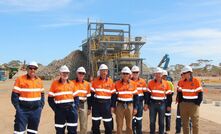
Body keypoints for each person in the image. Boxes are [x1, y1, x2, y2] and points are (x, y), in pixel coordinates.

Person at [11, 61, 44, 134]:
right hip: (23, 111)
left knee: (32, 131)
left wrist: (40, 107)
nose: (33, 70)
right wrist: (18, 108)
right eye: (31, 68)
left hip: (36, 111)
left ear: (36, 69)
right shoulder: (20, 79)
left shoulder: (39, 81)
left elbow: (42, 94)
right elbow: (14, 96)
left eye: (34, 68)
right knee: (19, 131)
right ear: (27, 69)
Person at [48, 65, 79, 134]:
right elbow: (50, 99)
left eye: (67, 73)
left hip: (71, 111)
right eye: (63, 72)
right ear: (60, 73)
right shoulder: (54, 84)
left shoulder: (72, 84)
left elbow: (76, 97)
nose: (65, 74)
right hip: (60, 111)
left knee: (72, 130)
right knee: (60, 130)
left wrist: (75, 107)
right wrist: (56, 109)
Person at [144, 67, 172, 134]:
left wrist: (169, 105)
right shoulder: (150, 83)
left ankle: (161, 132)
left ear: (162, 75)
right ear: (154, 75)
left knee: (161, 121)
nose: (158, 75)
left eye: (159, 74)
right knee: (152, 121)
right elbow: (147, 95)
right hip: (152, 104)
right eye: (156, 74)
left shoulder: (166, 83)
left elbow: (169, 96)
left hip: (162, 104)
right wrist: (146, 104)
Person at [176, 65, 203, 134]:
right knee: (185, 124)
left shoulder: (196, 81)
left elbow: (200, 93)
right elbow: (179, 93)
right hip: (183, 105)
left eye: (184, 73)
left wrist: (197, 104)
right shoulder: (181, 82)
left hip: (193, 105)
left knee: (195, 124)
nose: (183, 75)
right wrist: (181, 102)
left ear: (189, 73)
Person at [90, 64, 115, 134]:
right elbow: (92, 95)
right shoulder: (95, 81)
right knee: (95, 124)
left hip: (107, 106)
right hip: (96, 106)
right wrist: (91, 106)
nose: (104, 72)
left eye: (105, 71)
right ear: (99, 72)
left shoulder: (111, 82)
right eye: (102, 71)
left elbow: (113, 95)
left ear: (107, 72)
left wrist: (113, 106)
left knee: (108, 125)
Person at [113, 66, 138, 134]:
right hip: (120, 105)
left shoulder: (133, 84)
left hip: (129, 106)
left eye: (127, 74)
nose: (125, 75)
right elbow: (114, 97)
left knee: (129, 125)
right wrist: (113, 106)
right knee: (119, 124)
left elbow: (136, 97)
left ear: (130, 75)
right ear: (121, 74)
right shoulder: (116, 84)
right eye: (124, 73)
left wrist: (135, 108)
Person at [72, 67, 91, 134]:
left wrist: (89, 108)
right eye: (80, 73)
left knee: (84, 123)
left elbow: (89, 97)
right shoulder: (72, 83)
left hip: (83, 104)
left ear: (84, 75)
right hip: (74, 104)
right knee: (73, 122)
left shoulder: (87, 84)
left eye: (83, 73)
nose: (81, 75)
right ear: (77, 74)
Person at [131, 65, 147, 134]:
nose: (135, 74)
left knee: (139, 119)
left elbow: (146, 94)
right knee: (132, 119)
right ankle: (133, 131)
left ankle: (139, 132)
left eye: (136, 72)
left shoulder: (143, 82)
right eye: (134, 72)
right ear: (131, 73)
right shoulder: (129, 81)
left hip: (140, 103)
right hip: (131, 102)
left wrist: (146, 103)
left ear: (139, 73)